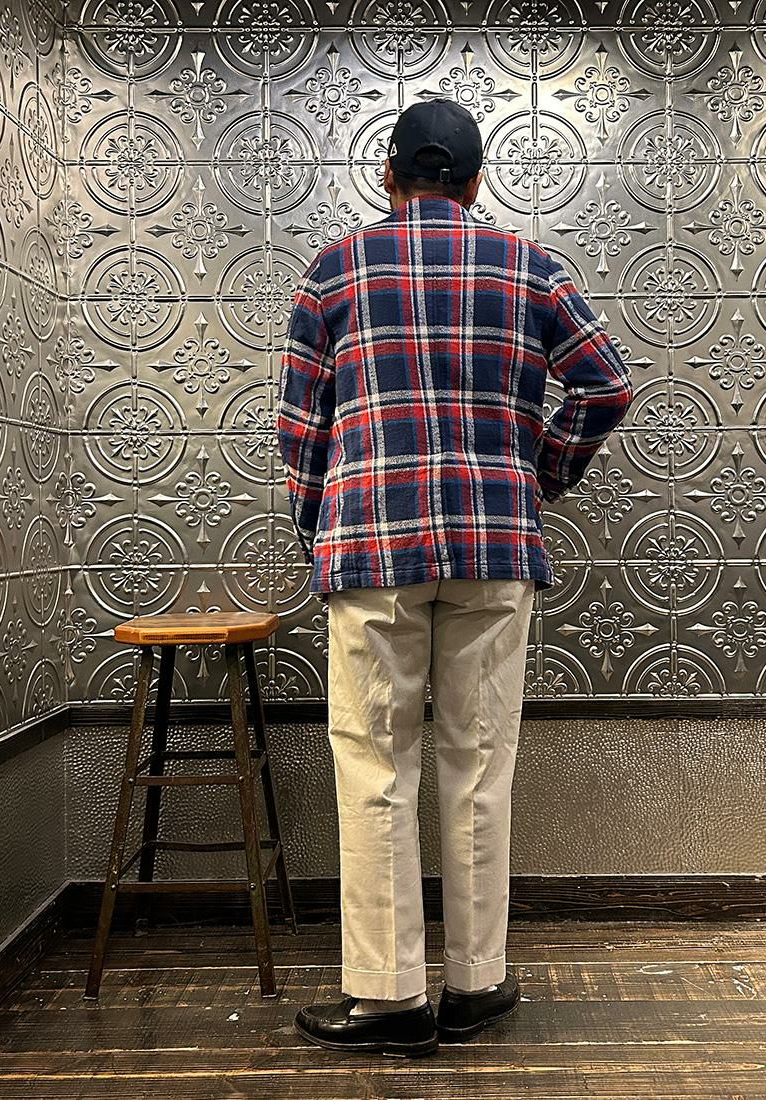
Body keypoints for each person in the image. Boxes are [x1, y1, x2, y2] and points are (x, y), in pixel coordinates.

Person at [277, 98, 634, 1057]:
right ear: (476, 183)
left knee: (375, 767)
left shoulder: (334, 269)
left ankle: (388, 998)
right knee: (479, 766)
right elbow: (607, 383)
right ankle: (476, 984)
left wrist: (320, 527)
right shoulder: (533, 267)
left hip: (371, 547)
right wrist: (538, 473)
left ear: (388, 176)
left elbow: (302, 429)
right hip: (496, 547)